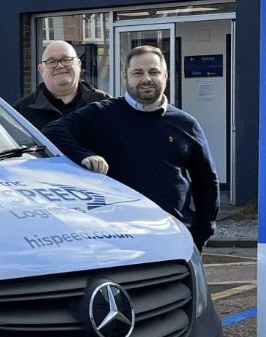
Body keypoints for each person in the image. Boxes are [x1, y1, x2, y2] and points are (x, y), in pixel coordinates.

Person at [45, 45, 219, 250]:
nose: (146, 79)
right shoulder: (102, 114)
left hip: (175, 239)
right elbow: (53, 132)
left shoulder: (186, 124)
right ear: (125, 76)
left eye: (153, 72)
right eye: (138, 73)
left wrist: (201, 234)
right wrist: (84, 155)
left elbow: (206, 181)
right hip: (119, 242)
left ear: (165, 75)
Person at [12, 40, 110, 132]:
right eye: (51, 62)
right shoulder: (20, 112)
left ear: (79, 65)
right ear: (41, 70)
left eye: (66, 60)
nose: (59, 66)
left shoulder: (105, 104)